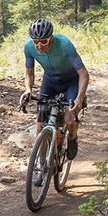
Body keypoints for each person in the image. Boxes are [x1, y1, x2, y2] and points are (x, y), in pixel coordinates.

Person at [21, 18, 88, 160]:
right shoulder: (29, 48)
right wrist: (28, 89)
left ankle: (72, 136)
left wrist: (79, 98)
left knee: (69, 119)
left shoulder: (64, 45)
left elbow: (83, 73)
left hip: (71, 81)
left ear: (51, 38)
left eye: (43, 41)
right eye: (36, 42)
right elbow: (29, 73)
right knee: (40, 126)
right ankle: (41, 165)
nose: (39, 46)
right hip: (50, 81)